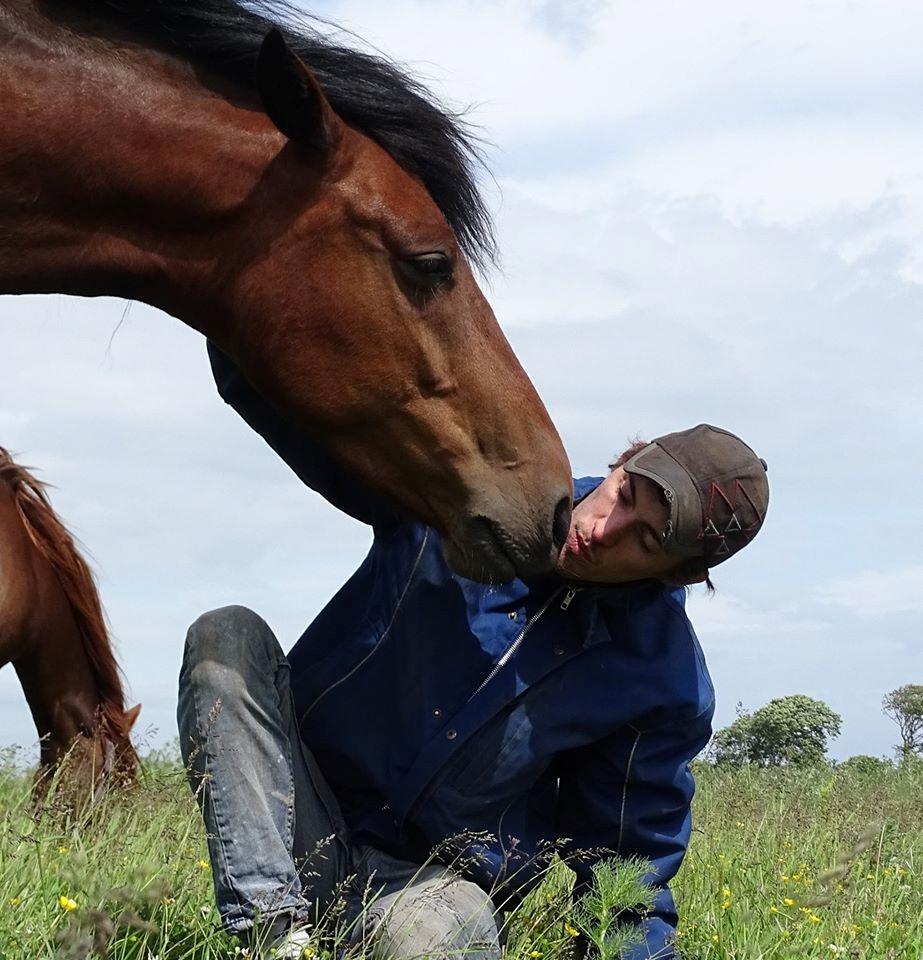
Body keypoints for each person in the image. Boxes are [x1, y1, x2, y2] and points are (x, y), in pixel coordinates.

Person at [177, 345, 770, 960]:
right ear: (623, 460)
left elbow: (629, 858)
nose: (602, 530)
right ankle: (273, 938)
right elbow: (319, 421)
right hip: (304, 815)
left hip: (430, 891)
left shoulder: (660, 679)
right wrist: (241, 314)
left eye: (644, 539)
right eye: (625, 493)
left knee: (436, 945)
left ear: (677, 575)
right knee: (227, 636)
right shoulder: (472, 493)